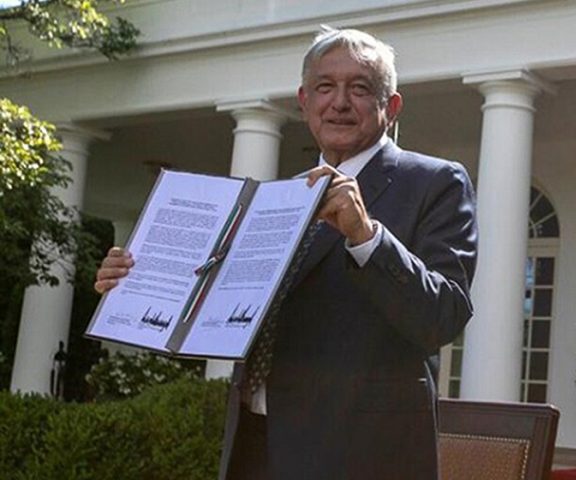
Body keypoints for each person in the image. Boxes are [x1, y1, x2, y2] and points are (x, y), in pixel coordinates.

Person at [94, 27, 477, 480]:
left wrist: (367, 237)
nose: (339, 102)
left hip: (362, 454)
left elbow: (444, 315)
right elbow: (217, 312)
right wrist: (136, 284)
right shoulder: (279, 198)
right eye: (324, 87)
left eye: (359, 88)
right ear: (303, 101)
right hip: (255, 442)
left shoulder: (435, 183)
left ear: (391, 107)